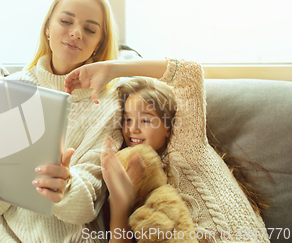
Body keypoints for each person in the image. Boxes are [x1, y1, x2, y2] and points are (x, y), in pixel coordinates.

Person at [0, 0, 124, 242]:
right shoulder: (5, 89)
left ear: (99, 45)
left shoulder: (109, 104)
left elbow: (89, 202)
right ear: (47, 28)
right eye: (66, 21)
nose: (76, 33)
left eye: (89, 29)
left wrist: (66, 186)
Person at [64, 58, 270, 242]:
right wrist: (120, 202)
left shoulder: (187, 146)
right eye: (127, 119)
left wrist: (113, 68)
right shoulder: (128, 171)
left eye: (145, 119)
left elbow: (191, 74)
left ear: (168, 126)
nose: (132, 128)